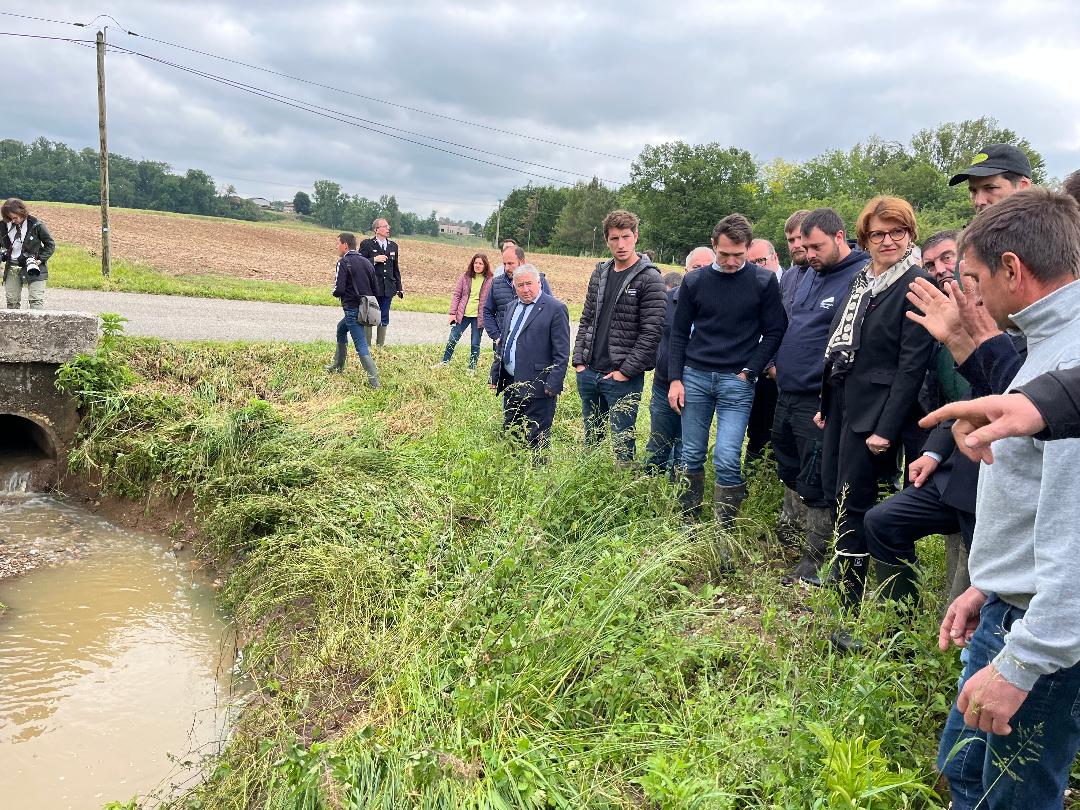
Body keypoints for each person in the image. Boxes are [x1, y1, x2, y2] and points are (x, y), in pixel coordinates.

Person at [933, 189, 1080, 808]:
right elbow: (1035, 493)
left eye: (974, 279)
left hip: (1042, 636)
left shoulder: (1071, 351)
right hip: (1010, 606)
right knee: (965, 772)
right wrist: (987, 584)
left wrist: (1024, 664)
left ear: (1013, 269)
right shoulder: (1047, 342)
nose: (972, 298)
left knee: (1013, 795)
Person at [815, 196, 934, 632]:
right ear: (864, 239)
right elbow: (840, 347)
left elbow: (911, 367)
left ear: (910, 235)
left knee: (856, 504)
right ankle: (846, 592)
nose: (887, 241)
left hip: (877, 415)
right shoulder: (863, 281)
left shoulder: (917, 285)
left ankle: (851, 611)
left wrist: (885, 429)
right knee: (836, 494)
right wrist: (826, 405)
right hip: (844, 404)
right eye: (878, 234)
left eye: (896, 232)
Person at [668, 214, 787, 527]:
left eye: (739, 254)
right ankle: (688, 522)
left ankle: (725, 527)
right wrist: (675, 379)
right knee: (691, 453)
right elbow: (679, 333)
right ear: (713, 246)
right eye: (724, 254)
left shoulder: (763, 282)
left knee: (726, 457)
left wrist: (752, 369)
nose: (732, 261)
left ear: (748, 248)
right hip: (695, 376)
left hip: (738, 380)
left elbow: (776, 330)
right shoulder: (694, 281)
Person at [771, 208, 868, 583]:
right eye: (803, 246)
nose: (808, 254)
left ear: (840, 237)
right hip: (788, 389)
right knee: (788, 462)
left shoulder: (859, 276)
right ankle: (798, 536)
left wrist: (830, 392)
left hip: (819, 397)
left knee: (817, 478)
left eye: (816, 246)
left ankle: (814, 560)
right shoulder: (808, 275)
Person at [573, 209, 667, 464]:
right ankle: (589, 482)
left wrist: (625, 372)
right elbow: (586, 318)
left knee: (622, 442)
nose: (621, 244)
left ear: (635, 236)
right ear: (607, 240)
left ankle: (623, 491)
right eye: (614, 238)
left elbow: (652, 334)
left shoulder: (650, 279)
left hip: (621, 378)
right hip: (590, 371)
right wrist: (579, 361)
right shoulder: (600, 273)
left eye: (625, 237)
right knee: (592, 438)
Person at [491, 264, 570, 452]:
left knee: (538, 436)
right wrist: (496, 372)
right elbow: (504, 342)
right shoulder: (511, 307)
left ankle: (538, 474)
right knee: (512, 431)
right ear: (514, 287)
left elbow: (562, 352)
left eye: (529, 284)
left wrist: (553, 384)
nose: (525, 289)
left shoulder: (555, 309)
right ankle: (514, 471)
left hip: (539, 385)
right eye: (520, 285)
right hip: (511, 382)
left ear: (539, 283)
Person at [643, 260, 698, 475]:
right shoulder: (666, 301)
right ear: (686, 271)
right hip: (664, 385)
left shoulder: (717, 306)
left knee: (686, 449)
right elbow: (650, 334)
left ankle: (678, 498)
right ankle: (649, 491)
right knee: (658, 443)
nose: (700, 272)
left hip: (697, 390)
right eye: (695, 267)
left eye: (705, 267)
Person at [744, 238, 783, 470]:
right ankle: (753, 478)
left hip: (780, 372)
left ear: (775, 257)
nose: (757, 267)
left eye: (761, 260)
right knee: (757, 430)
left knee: (780, 432)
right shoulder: (747, 287)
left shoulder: (787, 283)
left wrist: (773, 363)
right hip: (755, 370)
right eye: (751, 263)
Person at [326, 232, 380, 387]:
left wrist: (334, 292)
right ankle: (338, 365)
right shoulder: (366, 262)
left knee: (361, 345)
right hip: (365, 308)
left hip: (351, 309)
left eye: (338, 244)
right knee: (341, 329)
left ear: (345, 245)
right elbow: (375, 288)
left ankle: (374, 382)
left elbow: (339, 289)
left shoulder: (343, 262)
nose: (337, 247)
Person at [483, 244, 552, 349]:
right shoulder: (496, 284)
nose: (506, 268)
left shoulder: (539, 282)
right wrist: (496, 336)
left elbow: (549, 311)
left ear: (522, 261)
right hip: (504, 347)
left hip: (532, 347)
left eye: (510, 263)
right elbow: (487, 311)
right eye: (504, 264)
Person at [439, 253, 493, 371]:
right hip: (462, 314)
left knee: (475, 343)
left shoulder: (490, 280)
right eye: (476, 263)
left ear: (485, 266)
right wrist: (452, 313)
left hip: (478, 317)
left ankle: (471, 368)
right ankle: (444, 362)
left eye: (480, 263)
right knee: (453, 339)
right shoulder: (465, 277)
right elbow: (457, 295)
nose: (477, 265)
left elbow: (492, 299)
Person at [948, 143, 1033, 214]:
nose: (978, 201)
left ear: (1023, 186)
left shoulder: (1041, 233)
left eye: (990, 188)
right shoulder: (970, 233)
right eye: (973, 191)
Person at [2, 199, 55, 310]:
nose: (13, 221)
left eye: (15, 217)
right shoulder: (3, 226)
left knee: (36, 301)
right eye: (9, 218)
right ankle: (13, 327)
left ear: (22, 212)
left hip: (34, 265)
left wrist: (40, 259)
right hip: (12, 265)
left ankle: (37, 327)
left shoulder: (36, 225)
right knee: (12, 301)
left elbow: (50, 245)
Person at [359, 218, 402, 346]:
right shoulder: (367, 244)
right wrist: (374, 259)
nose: (388, 228)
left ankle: (380, 347)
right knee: (371, 316)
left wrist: (399, 287)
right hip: (372, 287)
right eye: (385, 226)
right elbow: (359, 263)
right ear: (376, 230)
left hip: (388, 287)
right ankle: (367, 347)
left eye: (388, 226)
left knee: (384, 316)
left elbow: (395, 268)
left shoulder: (393, 246)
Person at [780, 210, 811, 314]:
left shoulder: (830, 271)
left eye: (800, 238)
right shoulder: (787, 277)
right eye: (791, 240)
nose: (796, 245)